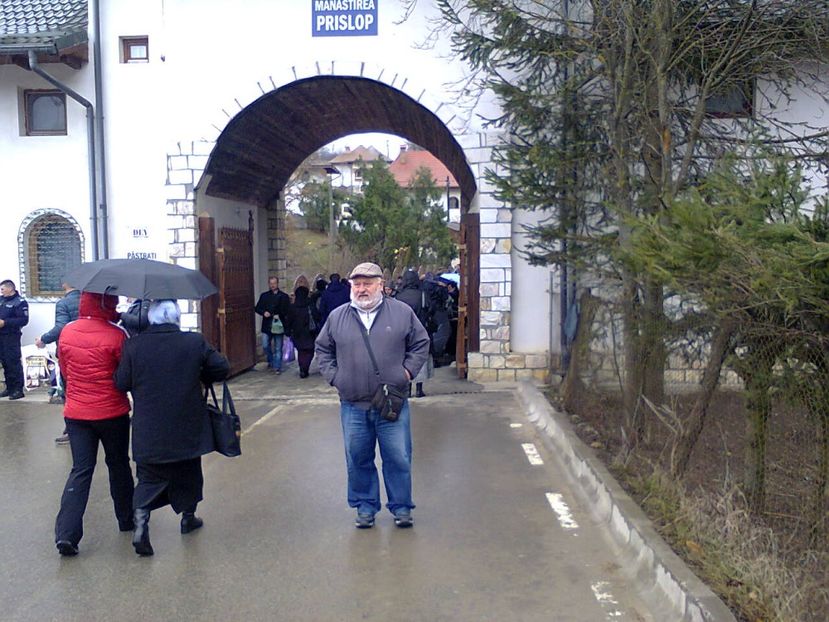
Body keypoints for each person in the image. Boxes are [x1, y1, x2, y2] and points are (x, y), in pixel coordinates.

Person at [315, 262, 429, 529]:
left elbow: (420, 343)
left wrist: (406, 372)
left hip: (391, 401)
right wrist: (336, 378)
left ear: (381, 285)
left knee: (398, 456)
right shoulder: (337, 317)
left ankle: (401, 507)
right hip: (353, 404)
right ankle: (365, 507)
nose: (361, 289)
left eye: (367, 283)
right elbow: (323, 349)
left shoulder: (402, 312)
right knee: (357, 458)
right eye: (357, 284)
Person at [115, 300, 229, 557]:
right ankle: (188, 518)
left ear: (151, 318)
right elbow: (221, 368)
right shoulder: (194, 342)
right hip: (186, 425)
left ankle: (141, 526)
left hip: (149, 429)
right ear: (176, 318)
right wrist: (201, 373)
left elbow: (122, 383)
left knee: (147, 478)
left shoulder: (134, 345)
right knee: (188, 471)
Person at [54, 291, 134, 556]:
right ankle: (126, 518)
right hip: (112, 412)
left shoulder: (67, 332)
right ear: (107, 304)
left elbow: (65, 371)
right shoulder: (117, 334)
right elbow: (124, 376)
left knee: (81, 469)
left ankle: (66, 534)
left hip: (77, 413)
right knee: (118, 464)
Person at [35, 282, 81, 441]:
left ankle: (72, 429)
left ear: (65, 284)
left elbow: (61, 327)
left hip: (69, 353)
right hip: (91, 351)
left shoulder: (64, 303)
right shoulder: (90, 299)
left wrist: (43, 339)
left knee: (69, 391)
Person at [395, 270, 432, 398]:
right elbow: (430, 310)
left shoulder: (398, 296)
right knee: (419, 357)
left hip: (403, 332)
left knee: (405, 359)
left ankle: (408, 389)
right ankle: (419, 389)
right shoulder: (422, 295)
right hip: (421, 330)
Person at [0, 279, 29, 400]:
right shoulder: (1, 300)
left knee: (13, 362)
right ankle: (9, 387)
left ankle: (18, 389)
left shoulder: (20, 302)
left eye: (2, 289)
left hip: (11, 336)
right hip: (1, 336)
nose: (1, 291)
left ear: (10, 288)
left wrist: (5, 323)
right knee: (5, 363)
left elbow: (23, 320)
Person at [254, 276, 290, 374]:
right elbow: (257, 308)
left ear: (277, 284)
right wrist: (263, 312)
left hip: (279, 325)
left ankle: (277, 367)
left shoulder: (284, 296)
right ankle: (271, 360)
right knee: (265, 345)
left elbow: (288, 311)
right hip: (267, 324)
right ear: (269, 284)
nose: (272, 285)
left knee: (278, 347)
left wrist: (280, 315)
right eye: (271, 283)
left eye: (274, 283)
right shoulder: (264, 296)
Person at [286, 285, 319, 378]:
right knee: (310, 351)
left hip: (297, 332)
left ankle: (302, 368)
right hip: (310, 332)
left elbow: (289, 320)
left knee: (301, 351)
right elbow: (317, 316)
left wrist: (288, 330)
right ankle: (305, 367)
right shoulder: (310, 305)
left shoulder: (293, 307)